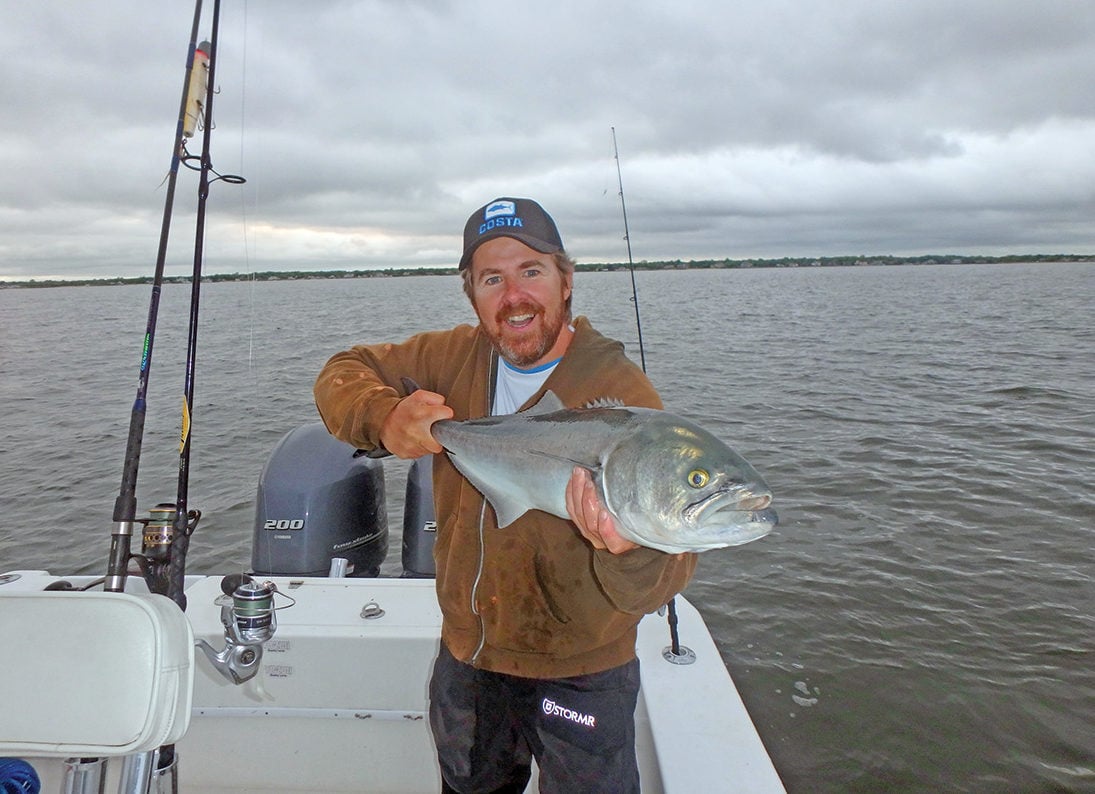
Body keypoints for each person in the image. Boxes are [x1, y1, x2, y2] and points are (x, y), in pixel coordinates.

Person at [313, 197, 697, 793]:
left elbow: (670, 569)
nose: (514, 295)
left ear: (566, 283)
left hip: (583, 669)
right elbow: (343, 369)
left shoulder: (621, 394)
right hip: (470, 659)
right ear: (471, 292)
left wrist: (632, 548)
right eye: (492, 278)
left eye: (532, 271)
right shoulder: (450, 358)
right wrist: (385, 418)